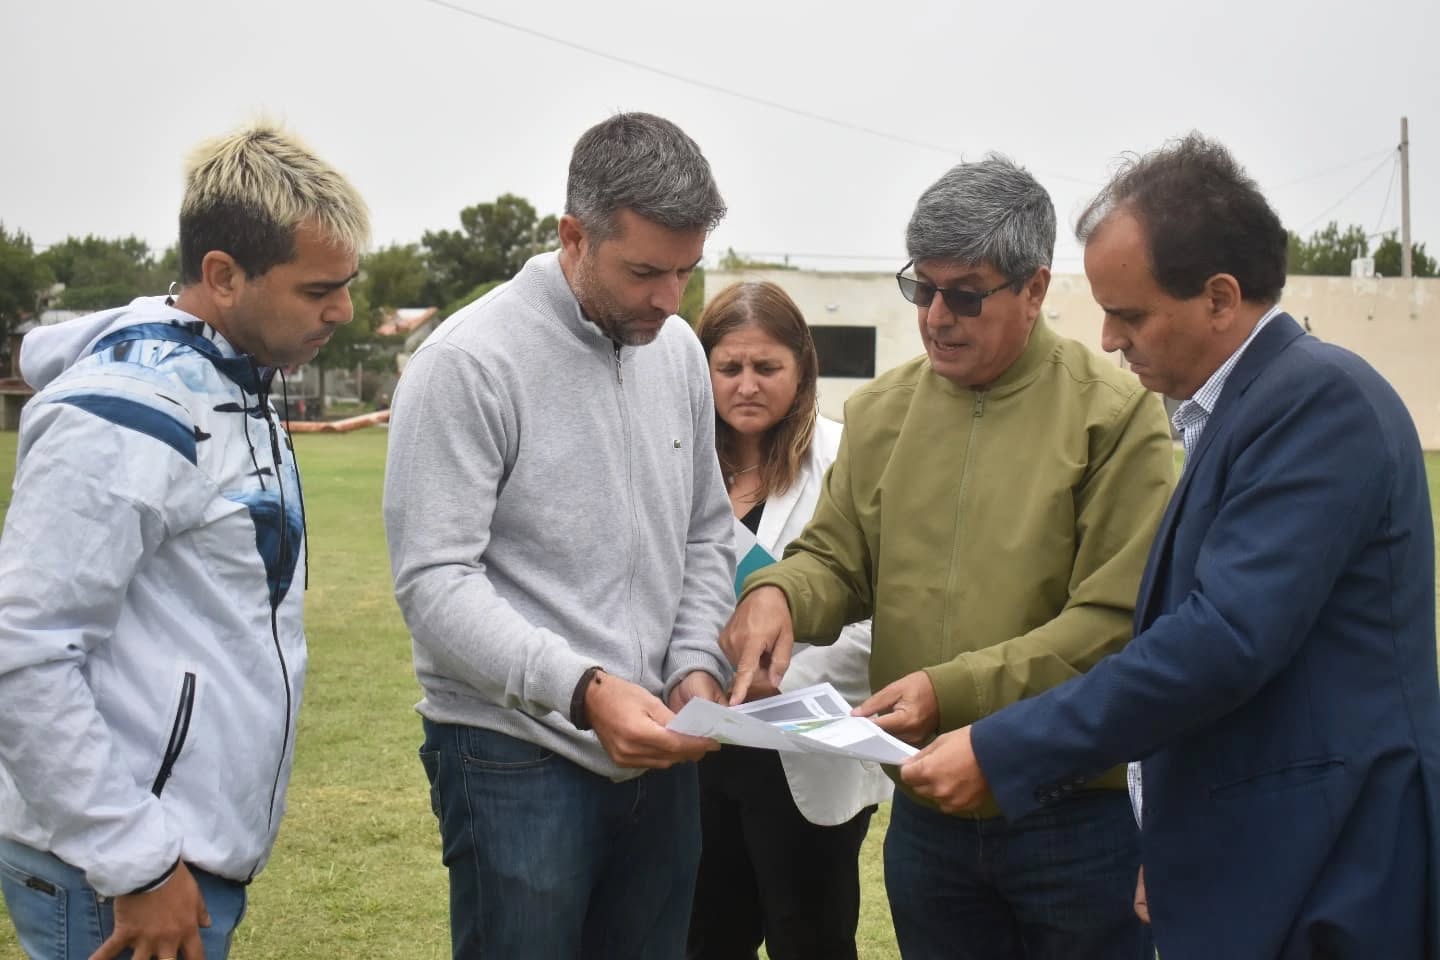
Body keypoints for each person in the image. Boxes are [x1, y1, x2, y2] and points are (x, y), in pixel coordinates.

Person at [903, 134, 1440, 959]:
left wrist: (1003, 743)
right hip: (1257, 850)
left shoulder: (1317, 404)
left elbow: (1222, 641)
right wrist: (1169, 832)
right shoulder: (1231, 411)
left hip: (1333, 868)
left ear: (1220, 298)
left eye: (1131, 313)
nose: (1111, 340)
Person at [719, 156, 1175, 959]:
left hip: (1067, 817)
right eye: (920, 287)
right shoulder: (885, 411)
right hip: (927, 820)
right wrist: (782, 595)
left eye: (964, 293)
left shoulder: (1118, 419)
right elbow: (837, 559)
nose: (935, 315)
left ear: (1035, 289)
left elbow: (1110, 625)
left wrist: (948, 690)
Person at [0, 123, 368, 960]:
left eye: (347, 284)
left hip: (175, 861)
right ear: (222, 275)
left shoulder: (237, 376)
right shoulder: (124, 408)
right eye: (318, 289)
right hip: (115, 877)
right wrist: (133, 861)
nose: (342, 310)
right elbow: (22, 649)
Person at [383, 112, 735, 959]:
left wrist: (695, 664)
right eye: (647, 271)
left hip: (660, 742)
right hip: (516, 754)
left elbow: (706, 532)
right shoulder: (470, 362)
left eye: (687, 272)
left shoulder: (679, 350)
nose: (670, 298)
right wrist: (582, 688)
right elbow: (434, 580)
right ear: (572, 235)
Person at [685, 281, 893, 960]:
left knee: (812, 939)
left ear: (802, 367)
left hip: (808, 748)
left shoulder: (847, 458)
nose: (747, 385)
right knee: (705, 937)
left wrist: (782, 680)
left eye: (767, 368)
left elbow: (874, 605)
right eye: (729, 368)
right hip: (695, 745)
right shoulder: (679, 463)